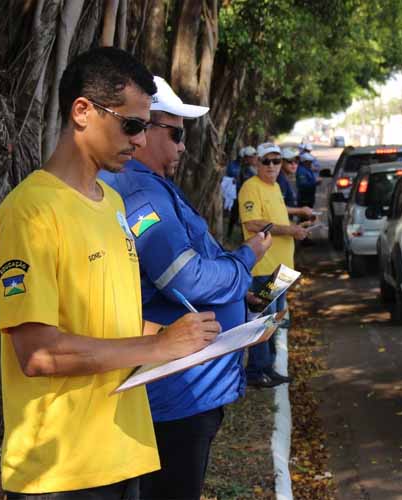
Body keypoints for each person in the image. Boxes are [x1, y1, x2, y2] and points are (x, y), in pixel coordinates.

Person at [0, 47, 221, 499]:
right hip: (61, 473)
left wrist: (183, 338)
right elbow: (37, 353)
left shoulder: (113, 204)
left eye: (145, 127)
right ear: (82, 111)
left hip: (123, 456)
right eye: (132, 125)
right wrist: (157, 346)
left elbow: (109, 323)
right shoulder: (31, 211)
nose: (141, 141)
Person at [100, 76, 273, 500]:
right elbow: (184, 277)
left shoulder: (151, 185)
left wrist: (240, 293)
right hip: (178, 389)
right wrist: (245, 260)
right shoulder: (139, 191)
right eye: (176, 134)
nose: (183, 147)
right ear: (142, 128)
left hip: (191, 385)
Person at [239, 143, 312, 387]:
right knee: (263, 322)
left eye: (276, 161)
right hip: (264, 269)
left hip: (281, 269)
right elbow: (252, 223)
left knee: (273, 322)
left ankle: (268, 368)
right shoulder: (251, 187)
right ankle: (256, 371)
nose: (272, 166)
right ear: (257, 163)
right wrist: (290, 230)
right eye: (266, 161)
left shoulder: (276, 186)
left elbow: (277, 215)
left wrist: (297, 219)